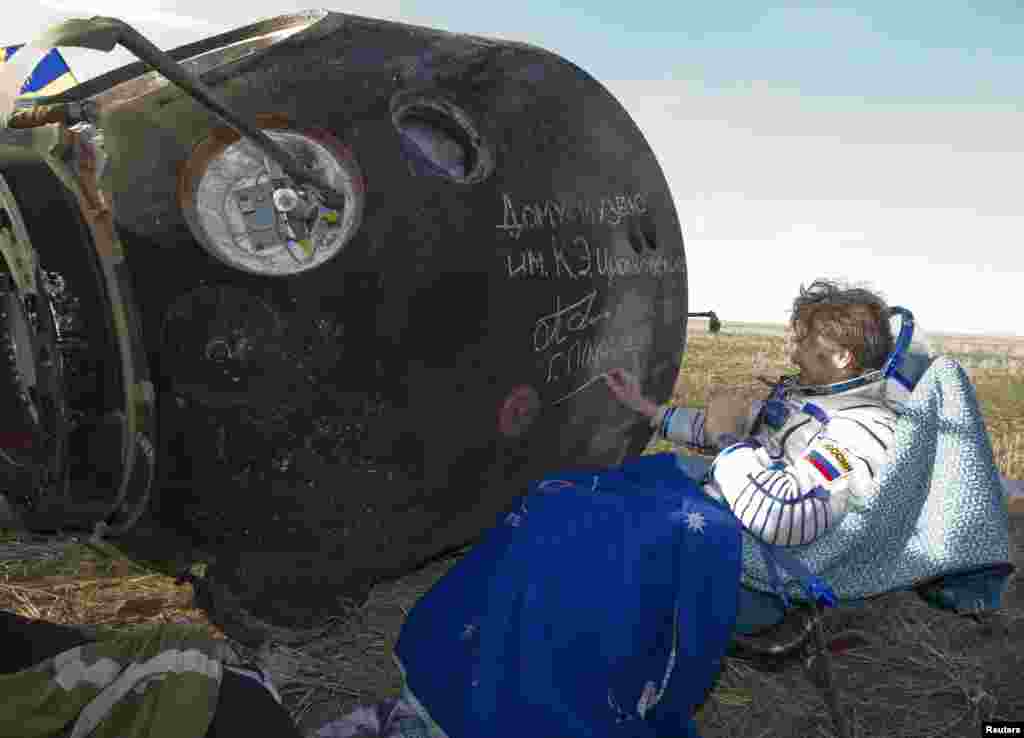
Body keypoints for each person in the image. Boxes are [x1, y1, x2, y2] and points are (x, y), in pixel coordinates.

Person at [606, 278, 903, 547]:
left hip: (746, 555)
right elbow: (728, 426)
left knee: (598, 520)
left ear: (841, 357)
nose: (794, 353)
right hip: (720, 507)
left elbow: (785, 515)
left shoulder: (862, 429)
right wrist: (645, 407)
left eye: (803, 342)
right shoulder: (813, 400)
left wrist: (727, 441)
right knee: (615, 482)